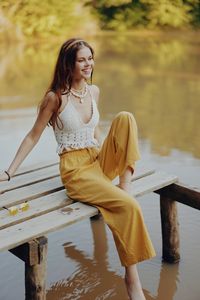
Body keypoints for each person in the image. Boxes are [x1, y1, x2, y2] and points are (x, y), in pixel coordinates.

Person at [0, 38, 156, 300]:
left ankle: (124, 187)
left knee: (126, 118)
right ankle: (133, 281)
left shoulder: (94, 92)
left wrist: (113, 153)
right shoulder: (55, 98)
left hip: (97, 159)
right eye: (81, 60)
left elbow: (95, 132)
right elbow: (32, 136)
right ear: (68, 64)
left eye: (90, 58)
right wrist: (8, 173)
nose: (88, 64)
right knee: (130, 207)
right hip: (76, 170)